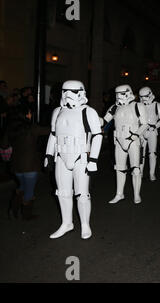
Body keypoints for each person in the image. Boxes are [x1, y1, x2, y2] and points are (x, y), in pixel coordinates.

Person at [44, 80, 102, 239]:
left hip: (81, 157)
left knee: (82, 194)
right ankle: (67, 223)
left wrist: (93, 160)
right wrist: (49, 155)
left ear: (81, 92)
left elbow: (97, 136)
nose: (68, 95)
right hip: (61, 157)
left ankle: (85, 224)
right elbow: (53, 135)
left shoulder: (88, 112)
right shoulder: (57, 111)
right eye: (65, 91)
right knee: (62, 193)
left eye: (73, 91)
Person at [2, 105, 49, 219]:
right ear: (24, 115)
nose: (30, 115)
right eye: (29, 113)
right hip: (30, 165)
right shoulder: (31, 128)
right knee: (29, 191)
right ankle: (26, 214)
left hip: (16, 166)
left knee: (22, 186)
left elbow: (4, 145)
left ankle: (13, 211)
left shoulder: (10, 129)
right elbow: (49, 130)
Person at [103, 85, 147, 205]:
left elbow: (144, 124)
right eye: (117, 94)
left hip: (132, 140)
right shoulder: (114, 107)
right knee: (120, 168)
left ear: (128, 93)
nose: (118, 96)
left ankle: (136, 194)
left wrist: (136, 135)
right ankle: (119, 194)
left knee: (136, 169)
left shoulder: (138, 106)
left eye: (121, 93)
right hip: (118, 140)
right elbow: (104, 121)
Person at [138, 87, 160, 181]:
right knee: (141, 153)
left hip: (152, 130)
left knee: (152, 153)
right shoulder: (139, 105)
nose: (143, 99)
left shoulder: (157, 105)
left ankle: (151, 173)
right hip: (141, 130)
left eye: (145, 96)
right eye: (141, 97)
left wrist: (155, 126)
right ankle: (140, 173)